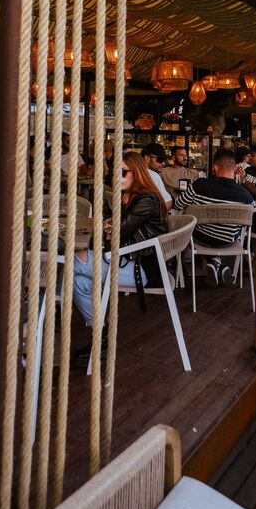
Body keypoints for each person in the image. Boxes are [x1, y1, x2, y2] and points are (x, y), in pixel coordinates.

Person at [72, 151, 168, 366]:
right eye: (116, 172)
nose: (117, 177)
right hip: (133, 262)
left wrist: (111, 225)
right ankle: (101, 335)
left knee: (75, 261)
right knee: (77, 281)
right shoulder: (137, 197)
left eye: (123, 172)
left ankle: (37, 317)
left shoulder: (146, 199)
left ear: (138, 173)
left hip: (143, 271)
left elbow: (117, 234)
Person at [174, 148, 253, 288]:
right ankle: (219, 264)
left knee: (190, 226)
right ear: (235, 169)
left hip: (200, 239)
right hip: (227, 241)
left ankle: (215, 263)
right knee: (232, 233)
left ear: (215, 168)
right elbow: (245, 223)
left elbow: (178, 205)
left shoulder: (199, 186)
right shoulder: (246, 197)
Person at [139, 143, 173, 210]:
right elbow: (166, 204)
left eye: (164, 160)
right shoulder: (153, 175)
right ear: (147, 158)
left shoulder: (133, 172)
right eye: (160, 160)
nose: (163, 163)